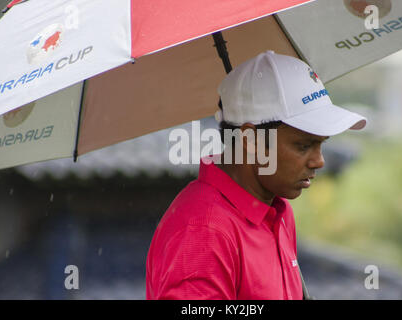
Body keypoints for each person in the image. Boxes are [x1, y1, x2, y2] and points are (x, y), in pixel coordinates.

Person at [146, 50, 367, 300]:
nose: (319, 161)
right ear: (250, 140)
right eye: (303, 146)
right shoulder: (204, 231)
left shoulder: (278, 210)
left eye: (321, 144)